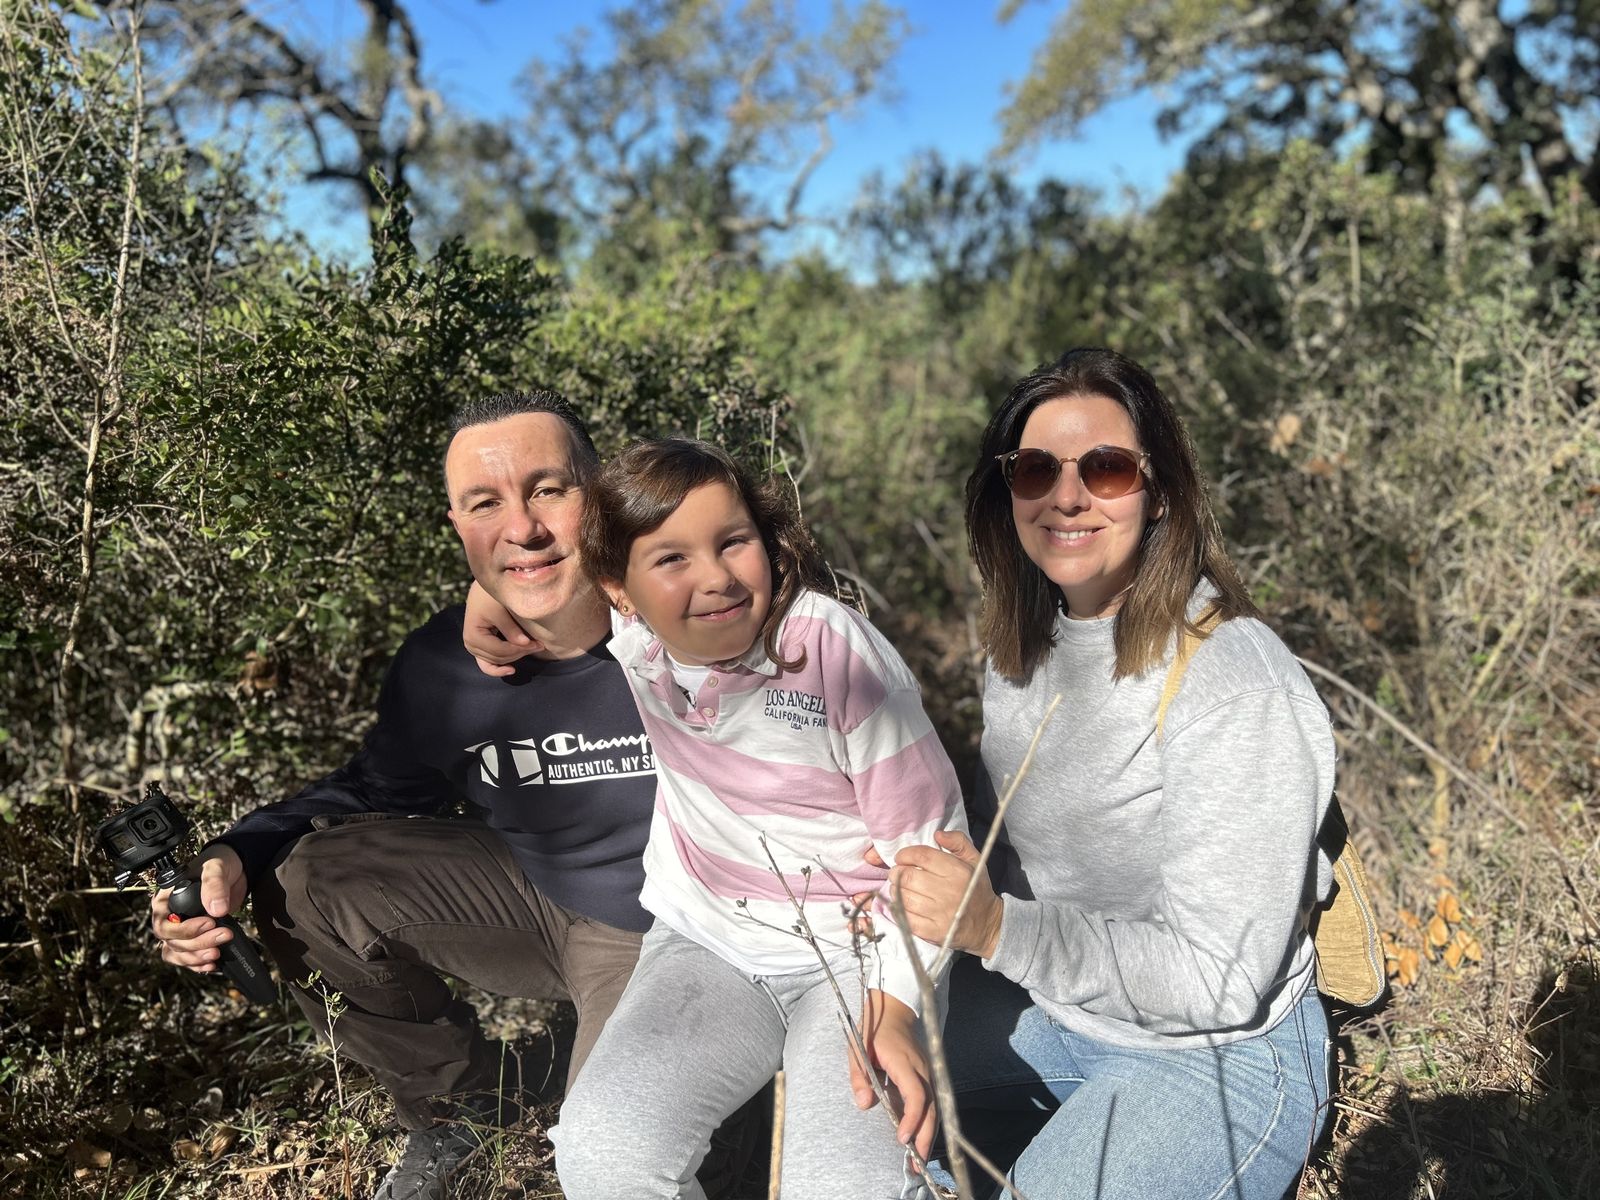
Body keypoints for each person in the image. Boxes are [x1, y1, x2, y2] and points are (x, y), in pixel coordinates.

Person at [148, 391, 663, 1200]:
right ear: (457, 525)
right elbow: (370, 790)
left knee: (617, 1152)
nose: (521, 528)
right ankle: (461, 1110)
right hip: (542, 903)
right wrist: (234, 854)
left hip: (677, 931)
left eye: (549, 490)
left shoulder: (693, 607)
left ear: (601, 491)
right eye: (485, 503)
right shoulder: (444, 662)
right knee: (310, 875)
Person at [882, 348, 1335, 1199]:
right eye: (1034, 470)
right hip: (1054, 1005)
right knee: (859, 1109)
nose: (1067, 494)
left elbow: (1221, 979)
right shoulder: (1023, 648)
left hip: (1217, 1053)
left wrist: (996, 932)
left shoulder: (1231, 680)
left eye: (1108, 468)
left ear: (1159, 491)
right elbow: (1000, 851)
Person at [469, 438, 967, 1199]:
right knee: (605, 1152)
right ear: (620, 592)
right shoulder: (636, 639)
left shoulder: (832, 654)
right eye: (671, 560)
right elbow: (545, 570)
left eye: (733, 542)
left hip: (860, 963)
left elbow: (934, 853)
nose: (716, 578)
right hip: (708, 946)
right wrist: (487, 595)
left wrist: (897, 1009)